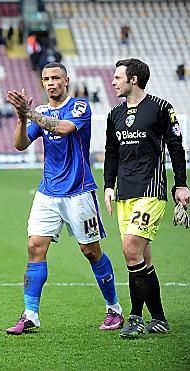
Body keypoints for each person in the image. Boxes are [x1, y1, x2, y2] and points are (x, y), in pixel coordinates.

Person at [5, 62, 124, 335]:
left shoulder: (80, 107)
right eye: (46, 78)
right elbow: (20, 144)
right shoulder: (40, 112)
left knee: (90, 251)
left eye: (56, 78)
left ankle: (114, 309)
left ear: (66, 80)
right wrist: (23, 118)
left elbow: (62, 128)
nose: (50, 83)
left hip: (79, 190)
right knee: (35, 246)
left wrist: (30, 112)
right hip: (48, 192)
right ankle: (31, 314)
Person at [104, 58, 190, 338]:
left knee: (130, 249)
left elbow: (176, 147)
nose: (114, 81)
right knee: (141, 259)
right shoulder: (114, 114)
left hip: (151, 191)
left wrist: (181, 184)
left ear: (134, 80)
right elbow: (111, 153)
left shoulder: (161, 108)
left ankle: (135, 317)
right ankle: (160, 318)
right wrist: (108, 185)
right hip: (125, 194)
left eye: (118, 77)